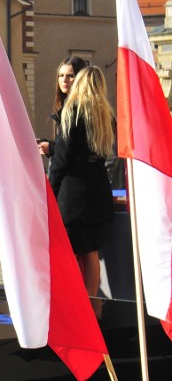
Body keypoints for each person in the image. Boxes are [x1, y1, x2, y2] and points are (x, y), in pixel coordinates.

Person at [47, 66, 115, 318]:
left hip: (74, 192)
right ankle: (93, 312)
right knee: (92, 253)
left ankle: (76, 313)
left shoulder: (72, 111)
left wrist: (51, 190)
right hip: (99, 188)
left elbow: (62, 158)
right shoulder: (105, 114)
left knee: (72, 252)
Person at [38, 56, 88, 158]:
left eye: (70, 76)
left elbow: (76, 148)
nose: (64, 80)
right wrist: (49, 145)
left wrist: (51, 148)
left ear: (80, 78)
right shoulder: (64, 105)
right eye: (61, 75)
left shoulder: (80, 107)